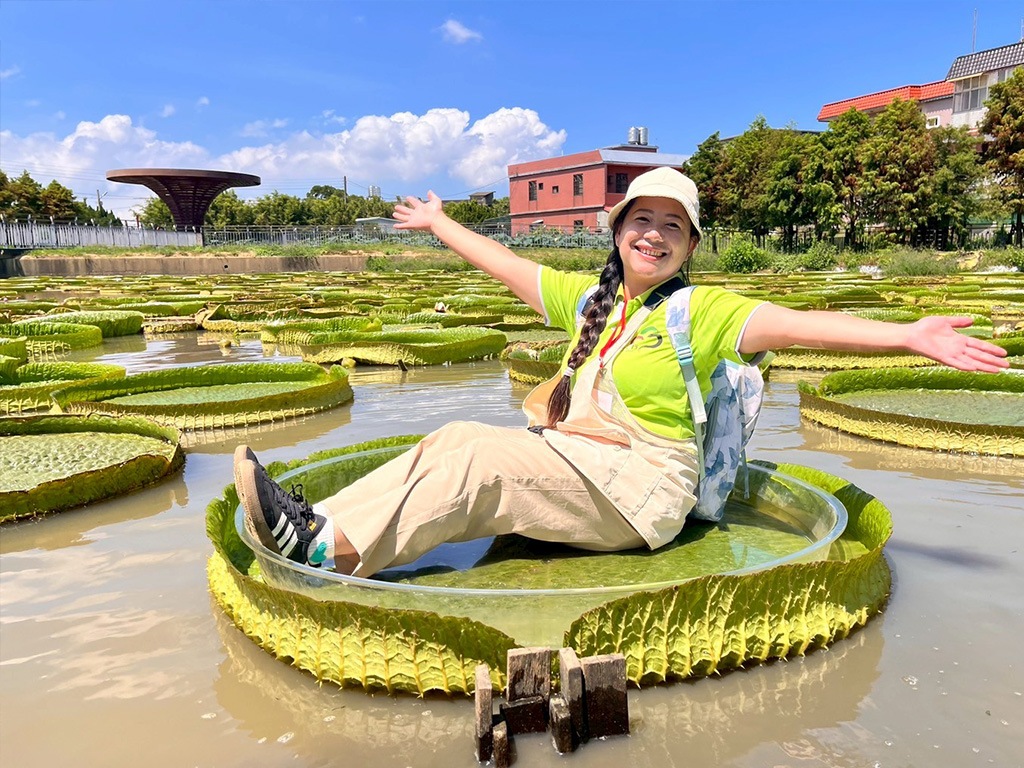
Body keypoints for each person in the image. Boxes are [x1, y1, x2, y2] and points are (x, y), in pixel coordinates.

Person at [234, 168, 1009, 577]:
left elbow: (804, 324)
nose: (655, 235)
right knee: (454, 438)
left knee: (480, 461)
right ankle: (317, 523)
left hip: (641, 493)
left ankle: (328, 551)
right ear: (618, 232)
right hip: (581, 463)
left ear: (691, 246)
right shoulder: (593, 303)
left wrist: (908, 335)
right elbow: (504, 263)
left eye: (673, 226)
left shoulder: (700, 312)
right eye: (643, 220)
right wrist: (440, 223)